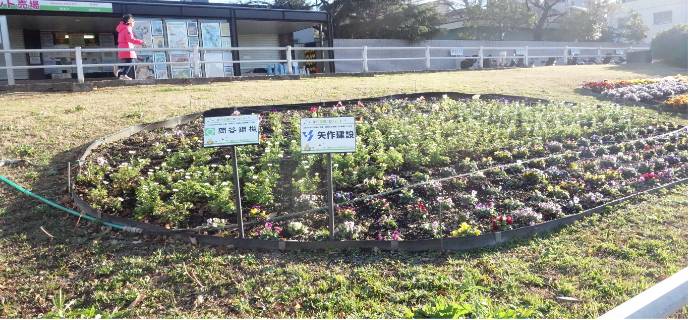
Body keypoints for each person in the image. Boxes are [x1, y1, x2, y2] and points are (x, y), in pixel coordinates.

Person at [114, 14, 144, 80]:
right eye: (132, 21)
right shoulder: (128, 28)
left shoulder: (122, 28)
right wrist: (141, 42)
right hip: (127, 47)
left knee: (128, 61)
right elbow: (131, 39)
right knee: (131, 61)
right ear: (128, 21)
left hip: (122, 47)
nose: (134, 22)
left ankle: (120, 70)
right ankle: (123, 73)